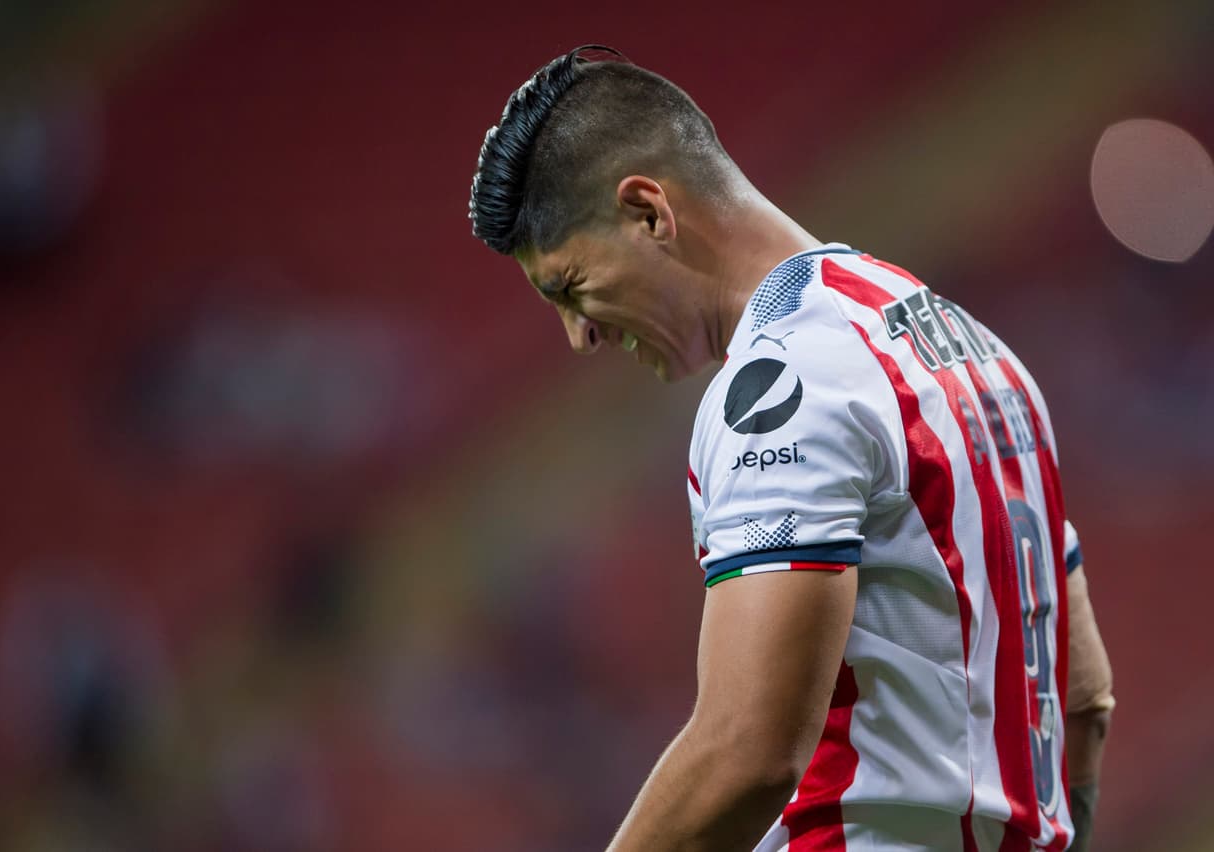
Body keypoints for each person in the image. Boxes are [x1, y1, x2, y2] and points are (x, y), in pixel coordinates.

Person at [467, 45, 1114, 852]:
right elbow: (1084, 698)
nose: (580, 335)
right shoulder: (979, 352)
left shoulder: (785, 382)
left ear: (647, 212)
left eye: (569, 287)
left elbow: (749, 751)